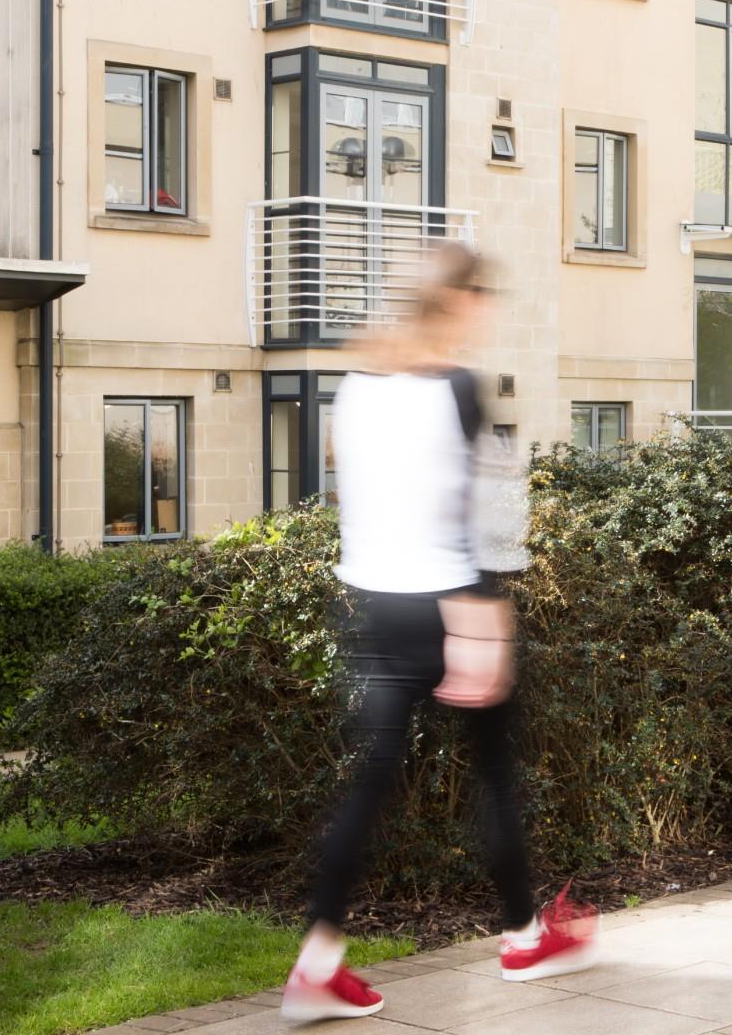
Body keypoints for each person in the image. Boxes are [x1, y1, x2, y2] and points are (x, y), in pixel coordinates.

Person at [281, 244, 597, 1022]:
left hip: (370, 607)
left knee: (367, 787)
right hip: (448, 609)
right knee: (493, 776)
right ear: (456, 301)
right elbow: (488, 516)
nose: (488, 308)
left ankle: (318, 963)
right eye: (482, 293)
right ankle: (523, 937)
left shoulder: (353, 386)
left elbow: (370, 502)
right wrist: (482, 617)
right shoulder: (458, 387)